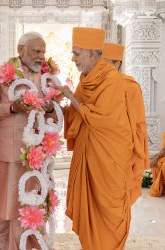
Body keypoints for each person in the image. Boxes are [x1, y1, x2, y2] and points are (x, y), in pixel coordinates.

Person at [52, 27, 134, 250]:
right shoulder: (86, 79)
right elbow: (76, 113)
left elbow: (102, 120)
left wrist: (70, 96)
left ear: (91, 53)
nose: (73, 58)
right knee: (90, 215)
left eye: (77, 53)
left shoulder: (112, 80)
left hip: (110, 157)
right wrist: (51, 107)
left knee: (109, 211)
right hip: (88, 153)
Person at [0, 32, 54, 250]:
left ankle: (30, 245)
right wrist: (11, 108)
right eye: (36, 51)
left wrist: (51, 107)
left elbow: (55, 116)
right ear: (20, 49)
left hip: (36, 158)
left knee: (32, 205)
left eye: (43, 52)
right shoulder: (0, 75)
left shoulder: (47, 78)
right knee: (2, 207)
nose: (41, 57)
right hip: (6, 154)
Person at [103, 42, 149, 204]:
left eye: (105, 62)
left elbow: (138, 122)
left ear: (117, 63)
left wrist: (136, 147)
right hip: (99, 146)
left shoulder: (131, 86)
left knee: (120, 194)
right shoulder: (95, 85)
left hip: (123, 147)